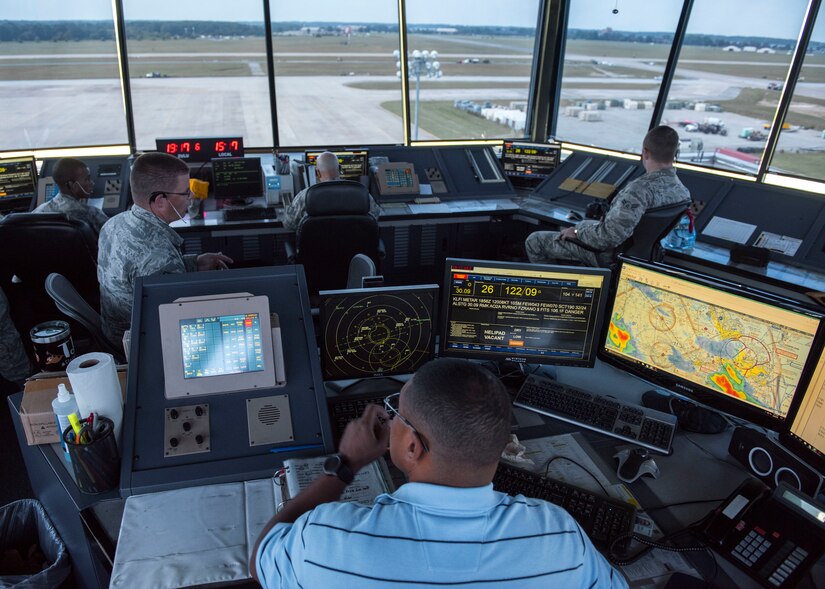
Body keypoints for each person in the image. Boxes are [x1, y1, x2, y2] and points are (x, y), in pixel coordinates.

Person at [251, 359, 627, 588]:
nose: (392, 420)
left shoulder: (328, 541)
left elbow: (262, 560)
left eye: (396, 413)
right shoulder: (560, 538)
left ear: (413, 447)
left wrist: (346, 465)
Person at [97, 152, 233, 347]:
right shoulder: (158, 257)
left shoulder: (114, 223)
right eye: (186, 192)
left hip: (114, 333)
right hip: (141, 345)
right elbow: (177, 323)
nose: (192, 196)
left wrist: (194, 263)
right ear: (160, 201)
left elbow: (137, 276)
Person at [525, 125, 691, 267]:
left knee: (534, 241)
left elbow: (609, 237)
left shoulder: (638, 190)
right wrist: (581, 227)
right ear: (675, 153)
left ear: (645, 152)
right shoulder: (683, 192)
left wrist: (577, 231)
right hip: (641, 256)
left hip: (608, 256)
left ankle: (555, 293)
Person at [282, 151, 380, 231]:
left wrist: (287, 207)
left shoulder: (307, 195)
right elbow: (374, 216)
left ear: (318, 172)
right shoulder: (360, 193)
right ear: (340, 169)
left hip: (316, 253)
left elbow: (288, 224)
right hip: (353, 253)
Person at [33, 157, 109, 234]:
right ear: (72, 185)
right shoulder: (92, 214)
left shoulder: (38, 212)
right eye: (87, 179)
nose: (92, 183)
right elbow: (114, 238)